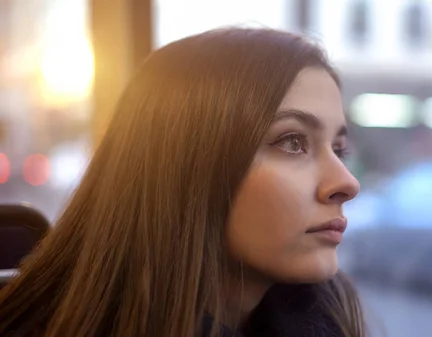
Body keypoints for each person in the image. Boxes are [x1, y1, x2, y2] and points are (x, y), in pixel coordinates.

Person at [0, 28, 366, 337]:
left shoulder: (330, 321)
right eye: (293, 142)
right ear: (187, 164)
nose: (347, 183)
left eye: (339, 148)